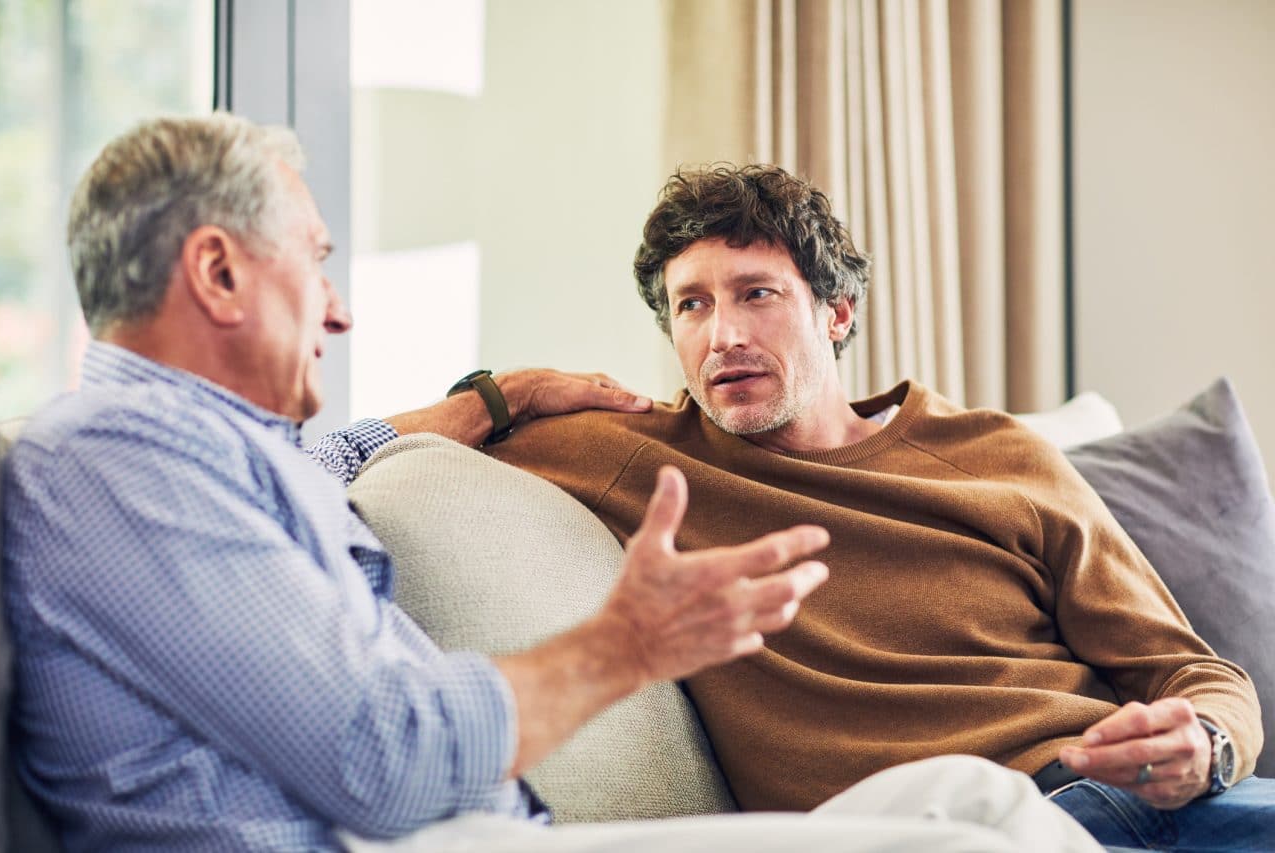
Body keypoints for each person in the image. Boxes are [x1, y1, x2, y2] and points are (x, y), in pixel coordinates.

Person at [0, 114, 1100, 852]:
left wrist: (487, 399)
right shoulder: (115, 462)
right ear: (220, 272)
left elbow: (328, 459)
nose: (339, 310)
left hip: (483, 833)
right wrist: (627, 643)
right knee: (960, 839)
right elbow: (381, 759)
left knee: (977, 798)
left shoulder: (202, 452)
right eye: (317, 261)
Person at [484, 163, 1275, 851]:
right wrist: (507, 392)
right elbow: (368, 448)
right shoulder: (644, 457)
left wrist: (1207, 744)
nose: (722, 334)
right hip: (966, 831)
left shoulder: (998, 454)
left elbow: (1192, 670)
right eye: (691, 305)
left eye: (755, 293)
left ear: (838, 312)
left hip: (1137, 791)